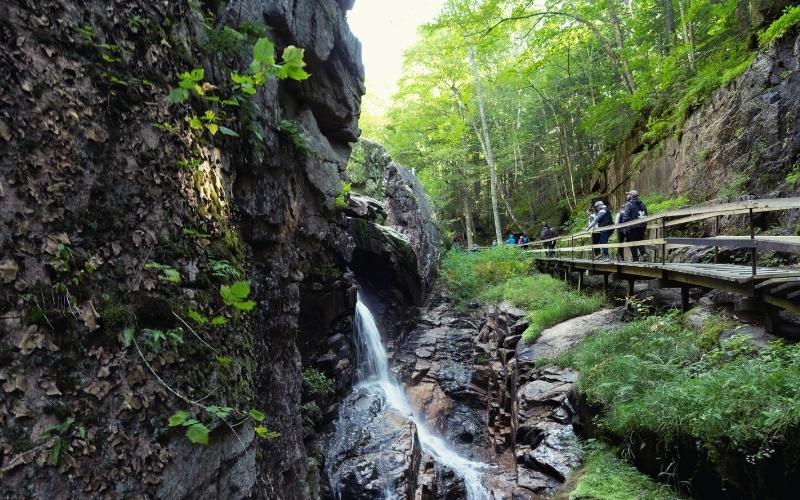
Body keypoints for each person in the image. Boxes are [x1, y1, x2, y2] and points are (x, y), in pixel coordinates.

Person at [621, 190, 648, 261]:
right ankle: (643, 254)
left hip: (633, 227)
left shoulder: (628, 204)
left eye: (629, 195)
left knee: (632, 242)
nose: (627, 196)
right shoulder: (642, 203)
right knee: (640, 240)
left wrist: (624, 227)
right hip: (642, 226)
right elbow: (646, 214)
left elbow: (626, 217)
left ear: (631, 196)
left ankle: (635, 258)